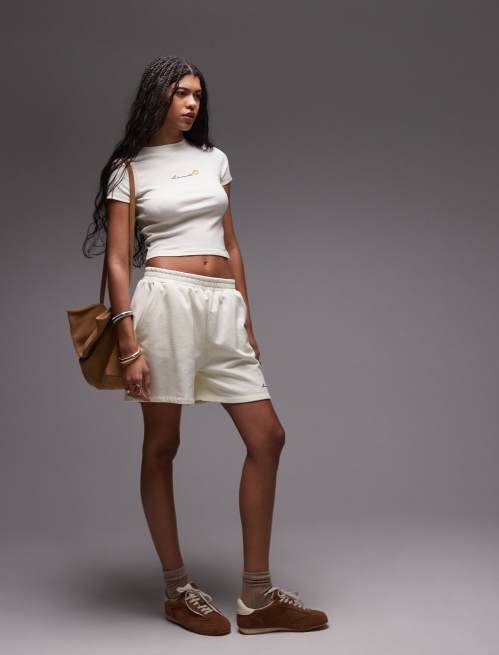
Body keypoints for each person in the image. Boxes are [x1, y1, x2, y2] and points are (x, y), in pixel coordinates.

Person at [83, 55, 328, 636]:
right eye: (182, 94)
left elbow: (231, 243)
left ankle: (257, 599)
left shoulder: (214, 159)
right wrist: (128, 339)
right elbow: (118, 259)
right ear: (157, 98)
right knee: (162, 444)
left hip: (221, 307)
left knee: (268, 437)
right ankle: (177, 589)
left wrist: (245, 315)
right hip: (164, 304)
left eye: (198, 94)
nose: (193, 103)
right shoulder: (129, 169)